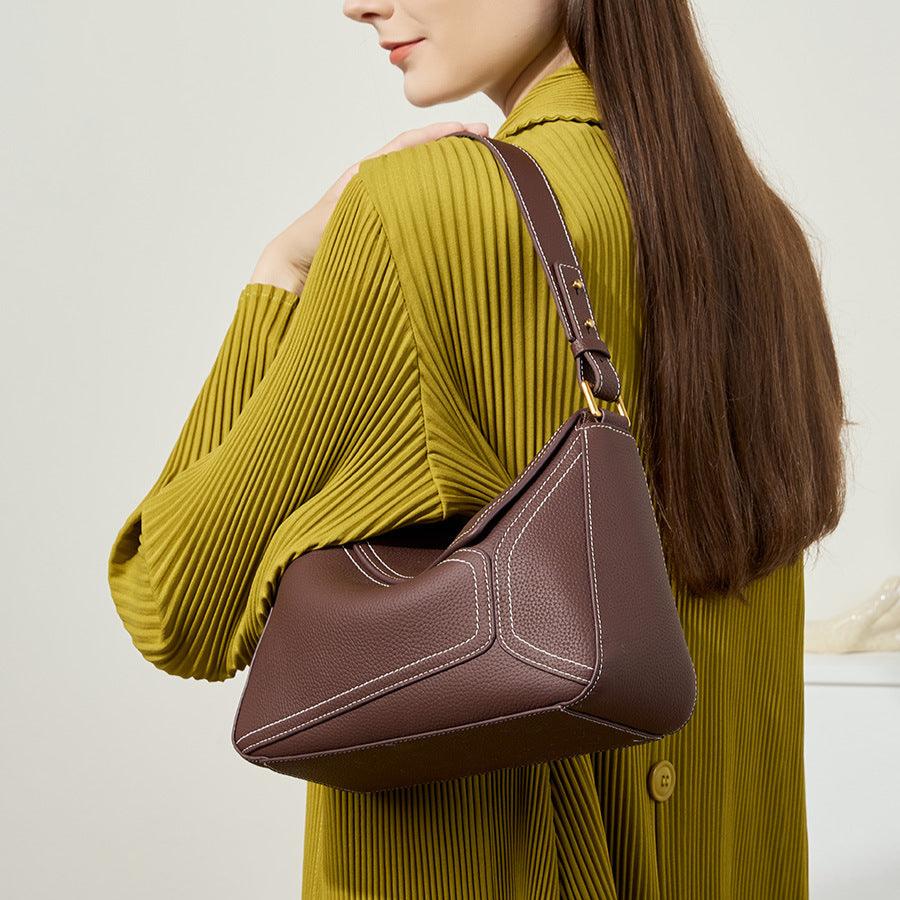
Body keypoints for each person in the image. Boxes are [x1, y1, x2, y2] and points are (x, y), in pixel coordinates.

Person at [107, 1, 848, 897]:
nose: (359, 3)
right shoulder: (765, 240)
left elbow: (171, 599)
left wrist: (282, 270)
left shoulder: (419, 214)